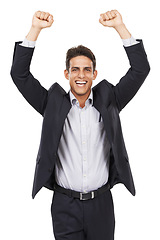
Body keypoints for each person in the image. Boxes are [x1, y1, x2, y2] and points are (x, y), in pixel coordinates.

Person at [10, 9, 150, 240]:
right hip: (65, 205)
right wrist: (35, 29)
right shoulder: (51, 103)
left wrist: (120, 27)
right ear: (67, 73)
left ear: (94, 74)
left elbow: (140, 70)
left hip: (102, 205)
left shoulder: (110, 100)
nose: (81, 75)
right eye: (75, 69)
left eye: (87, 69)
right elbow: (19, 74)